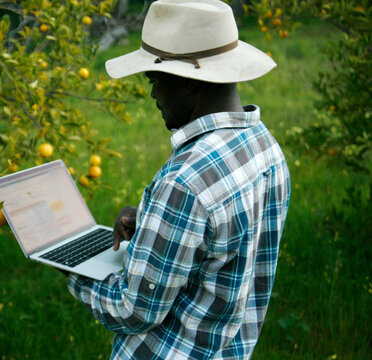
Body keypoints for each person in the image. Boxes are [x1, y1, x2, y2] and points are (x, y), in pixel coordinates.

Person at [66, 0, 291, 359]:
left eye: (155, 81)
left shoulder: (185, 182)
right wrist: (153, 225)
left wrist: (72, 271)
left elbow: (132, 310)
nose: (154, 95)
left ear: (188, 82)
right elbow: (225, 244)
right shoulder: (265, 148)